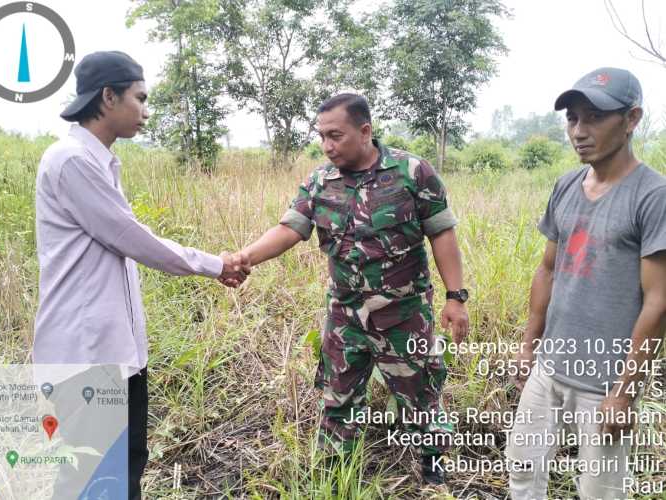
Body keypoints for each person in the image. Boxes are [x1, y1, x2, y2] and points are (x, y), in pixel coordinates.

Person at [33, 51, 249, 499]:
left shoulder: (99, 161)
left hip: (117, 350)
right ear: (108, 97)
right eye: (140, 98)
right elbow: (133, 238)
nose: (146, 111)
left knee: (126, 464)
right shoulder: (72, 160)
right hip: (85, 354)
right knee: (90, 476)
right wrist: (217, 264)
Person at [224, 93, 469, 485]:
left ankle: (432, 461)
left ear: (365, 131)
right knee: (338, 398)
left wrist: (455, 298)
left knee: (420, 394)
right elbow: (290, 229)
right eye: (322, 136)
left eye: (335, 135)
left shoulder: (412, 172)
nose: (326, 146)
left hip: (404, 315)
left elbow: (442, 233)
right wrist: (245, 256)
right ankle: (338, 470)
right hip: (346, 318)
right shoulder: (320, 181)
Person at [506, 68, 666, 500]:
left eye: (594, 117)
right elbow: (548, 270)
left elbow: (658, 303)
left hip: (604, 383)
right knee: (522, 469)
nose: (579, 131)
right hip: (550, 368)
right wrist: (528, 346)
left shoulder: (653, 196)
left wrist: (624, 392)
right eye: (573, 118)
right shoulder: (566, 186)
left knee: (600, 491)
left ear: (631, 119)